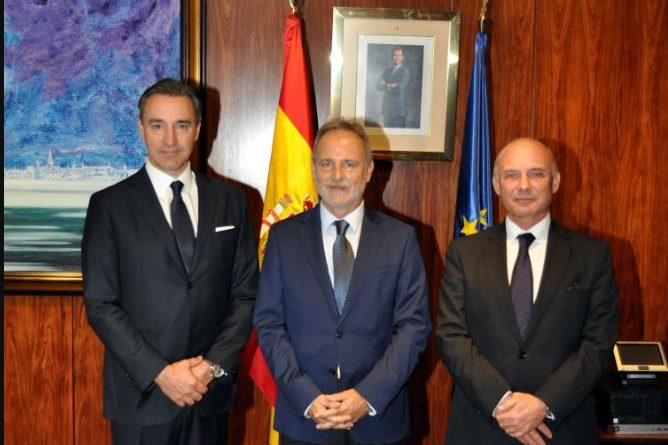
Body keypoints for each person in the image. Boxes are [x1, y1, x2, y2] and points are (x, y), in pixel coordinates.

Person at [82, 78, 258, 445]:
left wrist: (210, 368)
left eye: (181, 125)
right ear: (140, 128)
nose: (170, 139)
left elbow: (245, 296)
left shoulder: (232, 202)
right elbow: (101, 304)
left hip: (208, 394)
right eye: (157, 125)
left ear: (198, 129)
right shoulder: (109, 206)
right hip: (141, 396)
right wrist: (161, 373)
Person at [253, 119, 430, 444]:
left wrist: (367, 396)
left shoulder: (400, 239)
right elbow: (269, 323)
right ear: (313, 169)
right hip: (305, 420)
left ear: (368, 170)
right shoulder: (283, 238)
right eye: (327, 164)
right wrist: (305, 396)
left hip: (378, 420)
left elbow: (413, 327)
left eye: (349, 164)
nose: (337, 175)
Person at [436, 138, 618, 445]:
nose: (524, 186)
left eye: (536, 174)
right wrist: (502, 402)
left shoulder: (592, 256)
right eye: (511, 175)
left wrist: (543, 405)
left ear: (555, 181)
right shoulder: (463, 254)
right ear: (496, 184)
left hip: (561, 428)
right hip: (481, 427)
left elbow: (598, 343)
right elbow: (450, 336)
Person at [376, 47, 411, 128]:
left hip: (398, 110)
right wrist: (393, 85)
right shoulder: (387, 71)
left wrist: (386, 85)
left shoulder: (405, 71)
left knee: (397, 134)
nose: (397, 57)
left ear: (402, 57)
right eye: (395, 55)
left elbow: (400, 88)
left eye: (399, 55)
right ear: (392, 57)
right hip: (386, 109)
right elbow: (378, 86)